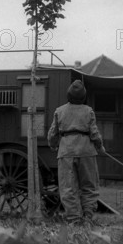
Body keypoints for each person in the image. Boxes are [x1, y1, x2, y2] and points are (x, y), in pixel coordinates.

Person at [47, 79, 106, 226]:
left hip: (66, 151)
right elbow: (94, 133)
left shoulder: (59, 111)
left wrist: (53, 145)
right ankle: (87, 218)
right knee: (89, 186)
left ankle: (74, 220)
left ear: (68, 95)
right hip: (86, 151)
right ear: (84, 97)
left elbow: (52, 134)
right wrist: (100, 147)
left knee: (68, 187)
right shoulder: (88, 111)